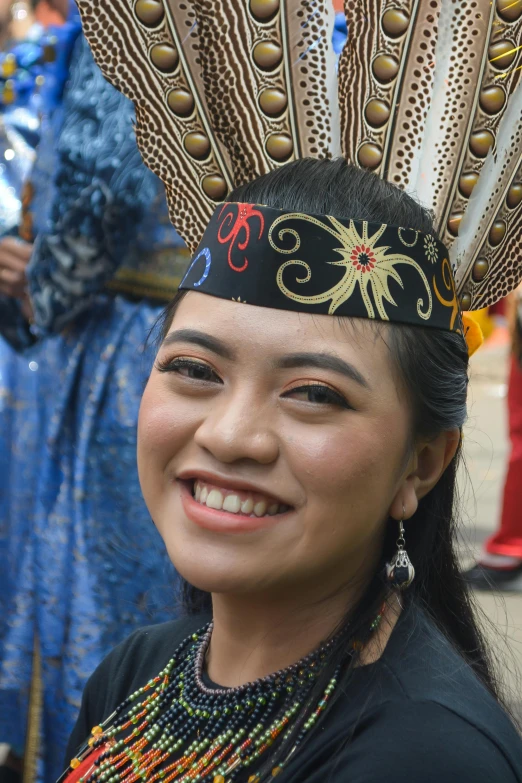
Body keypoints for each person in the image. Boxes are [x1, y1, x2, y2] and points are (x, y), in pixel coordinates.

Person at [60, 0, 522, 778]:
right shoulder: (137, 672)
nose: (232, 434)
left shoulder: (425, 757)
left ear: (423, 464)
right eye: (195, 371)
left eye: (314, 393)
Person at [0, 2, 188, 780]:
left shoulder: (130, 23)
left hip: (121, 354)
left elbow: (96, 194)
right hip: (210, 330)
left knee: (105, 589)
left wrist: (29, 290)